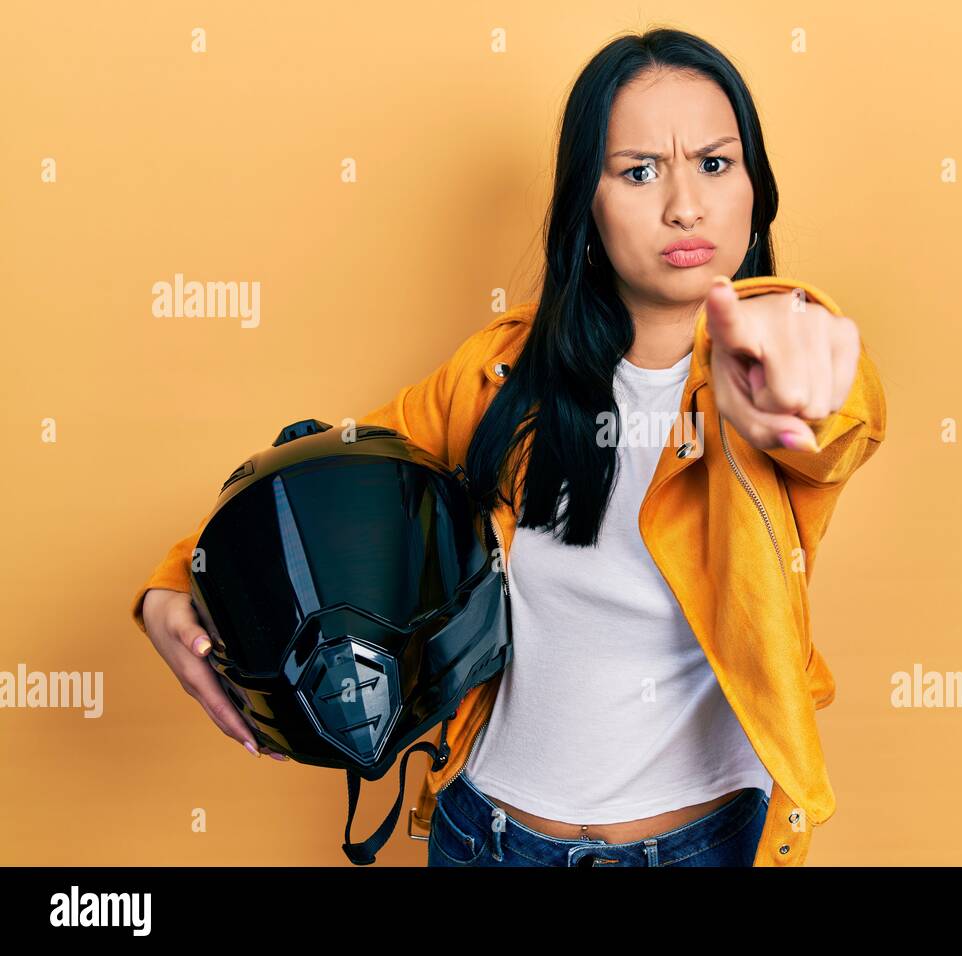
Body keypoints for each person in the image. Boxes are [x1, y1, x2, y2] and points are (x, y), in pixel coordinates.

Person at [131, 28, 887, 867]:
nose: (686, 205)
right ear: (585, 204)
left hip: (703, 844)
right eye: (639, 171)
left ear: (756, 186)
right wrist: (175, 587)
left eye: (715, 163)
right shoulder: (496, 373)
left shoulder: (774, 363)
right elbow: (327, 482)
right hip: (486, 835)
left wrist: (799, 376)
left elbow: (835, 415)